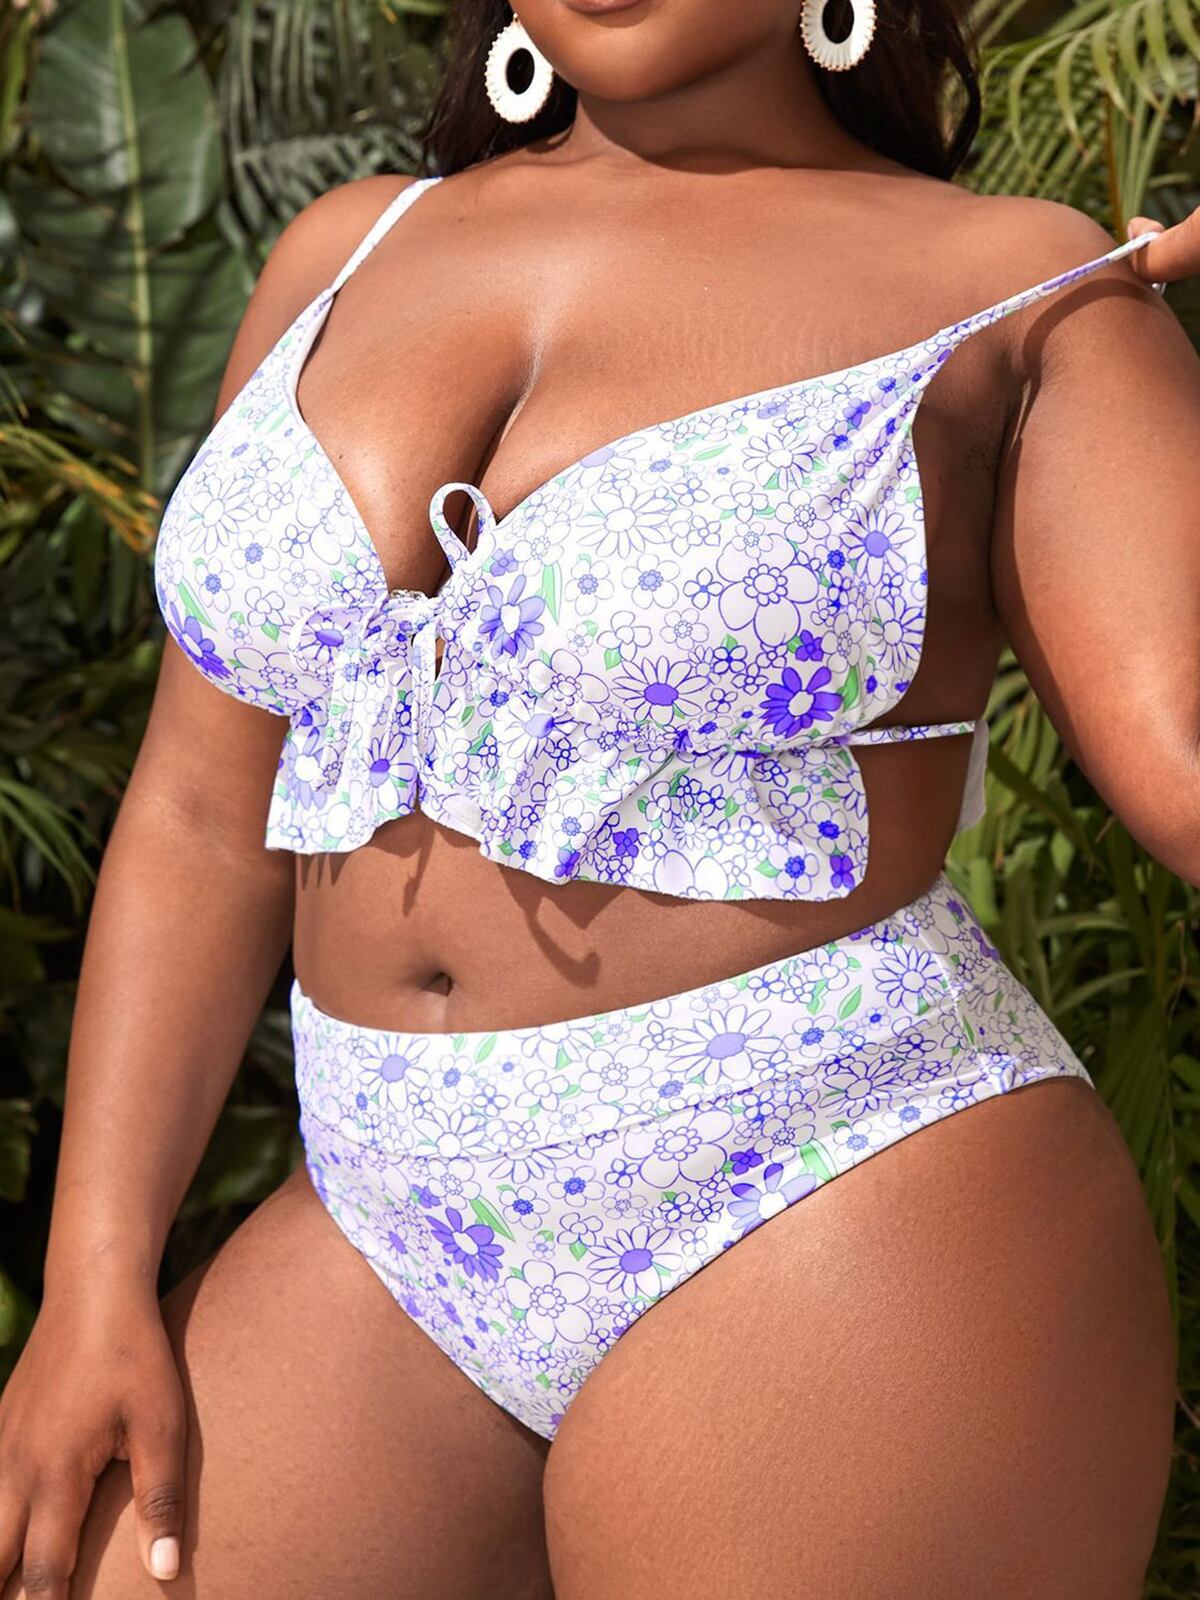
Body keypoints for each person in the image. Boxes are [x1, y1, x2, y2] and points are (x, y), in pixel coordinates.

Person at [2, 1, 1198, 1596]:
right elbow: (204, 817)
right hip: (382, 1211)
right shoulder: (347, 253)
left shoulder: (1018, 286)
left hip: (838, 1178)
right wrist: (94, 1273)